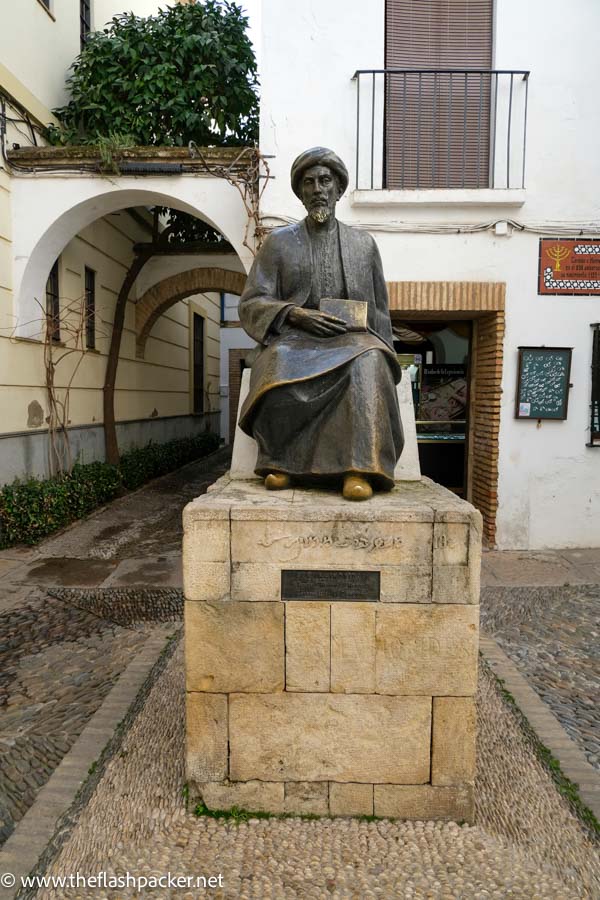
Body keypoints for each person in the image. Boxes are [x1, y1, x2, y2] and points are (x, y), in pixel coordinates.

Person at [238, 147, 404, 501]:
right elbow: (253, 301)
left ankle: (359, 468)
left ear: (338, 189)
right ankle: (281, 461)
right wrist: (295, 314)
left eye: (325, 181)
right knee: (278, 363)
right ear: (300, 192)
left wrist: (387, 352)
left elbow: (379, 311)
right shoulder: (278, 243)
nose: (317, 189)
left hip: (352, 338)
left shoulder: (364, 245)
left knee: (370, 361)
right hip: (294, 337)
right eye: (309, 182)